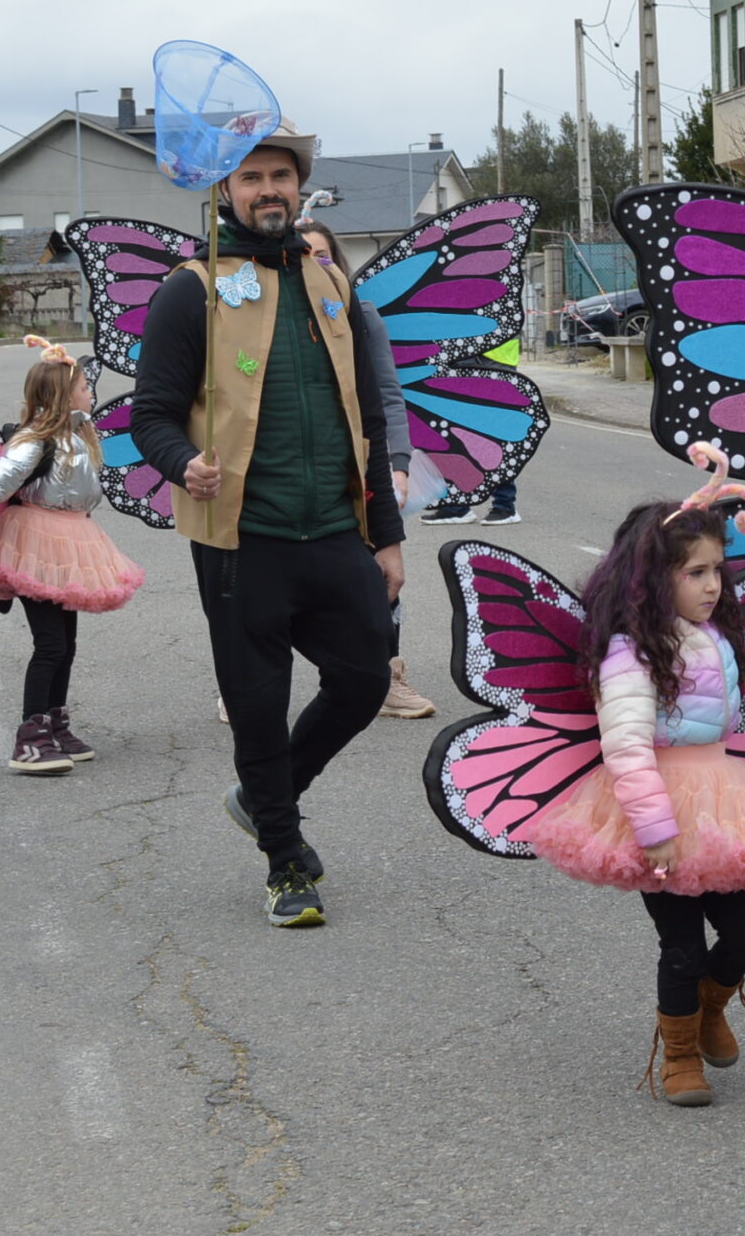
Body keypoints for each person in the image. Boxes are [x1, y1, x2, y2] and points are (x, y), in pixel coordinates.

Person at [515, 480, 745, 1106]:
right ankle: (680, 1056)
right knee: (681, 946)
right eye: (695, 573)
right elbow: (626, 747)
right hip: (655, 811)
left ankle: (712, 1006)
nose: (712, 585)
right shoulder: (631, 652)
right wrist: (656, 830)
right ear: (655, 579)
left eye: (717, 570)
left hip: (721, 800)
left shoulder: (719, 634)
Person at [130, 121, 406, 929]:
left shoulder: (331, 282)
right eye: (250, 178)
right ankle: (287, 863)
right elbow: (151, 415)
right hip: (239, 540)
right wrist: (183, 463)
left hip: (334, 529)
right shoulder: (191, 289)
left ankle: (263, 797)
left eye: (279, 175)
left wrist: (385, 535)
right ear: (225, 192)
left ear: (300, 186)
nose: (267, 190)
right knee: (257, 701)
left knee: (363, 678)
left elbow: (370, 422)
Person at [0, 336, 145, 775]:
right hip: (37, 544)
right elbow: (0, 476)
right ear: (63, 394)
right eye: (84, 385)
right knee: (50, 644)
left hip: (72, 540)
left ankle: (55, 723)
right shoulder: (39, 439)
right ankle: (29, 737)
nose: (90, 390)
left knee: (66, 645)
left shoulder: (78, 433)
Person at [295, 217, 435, 721]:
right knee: (271, 582)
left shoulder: (362, 316)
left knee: (381, 574)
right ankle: (242, 684)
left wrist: (397, 466)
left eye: (323, 255)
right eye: (301, 254)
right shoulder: (260, 321)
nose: (313, 264)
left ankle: (387, 675)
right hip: (288, 474)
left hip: (360, 472)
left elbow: (388, 397)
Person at [420, 334, 525, 526]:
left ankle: (505, 505)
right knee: (457, 430)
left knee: (493, 433)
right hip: (464, 349)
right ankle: (458, 507)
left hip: (496, 353)